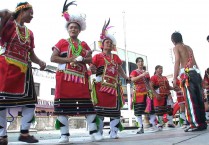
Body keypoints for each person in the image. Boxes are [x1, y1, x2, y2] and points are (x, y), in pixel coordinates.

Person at [50, 1, 102, 143]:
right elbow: (53, 58)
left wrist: (84, 61)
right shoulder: (61, 42)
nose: (73, 29)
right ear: (68, 29)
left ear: (79, 30)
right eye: (71, 27)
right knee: (62, 108)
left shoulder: (83, 44)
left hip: (80, 80)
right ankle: (64, 135)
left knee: (88, 107)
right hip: (64, 79)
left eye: (76, 28)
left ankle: (93, 132)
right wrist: (71, 59)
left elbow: (90, 58)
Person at [0, 2, 46, 144]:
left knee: (31, 103)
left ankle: (24, 133)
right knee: (1, 103)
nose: (32, 16)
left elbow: (31, 53)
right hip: (6, 67)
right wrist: (4, 14)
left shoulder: (30, 33)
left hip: (24, 71)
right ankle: (2, 135)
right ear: (21, 11)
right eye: (30, 12)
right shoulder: (8, 24)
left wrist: (40, 62)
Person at [90, 19, 130, 139]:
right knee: (99, 111)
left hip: (114, 87)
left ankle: (114, 132)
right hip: (100, 86)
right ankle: (99, 133)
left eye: (110, 42)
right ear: (102, 44)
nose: (108, 44)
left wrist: (126, 77)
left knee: (115, 112)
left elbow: (119, 69)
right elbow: (91, 67)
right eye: (106, 42)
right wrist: (92, 70)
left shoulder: (115, 57)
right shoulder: (97, 56)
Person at [171, 32, 207, 132]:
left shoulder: (176, 47)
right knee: (199, 99)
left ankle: (194, 124)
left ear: (173, 41)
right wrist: (200, 75)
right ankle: (202, 122)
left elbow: (177, 61)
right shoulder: (189, 47)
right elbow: (194, 62)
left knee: (191, 100)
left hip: (186, 74)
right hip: (195, 73)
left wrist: (174, 77)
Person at [130, 57, 156, 134]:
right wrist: (142, 75)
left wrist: (151, 91)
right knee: (138, 111)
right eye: (139, 62)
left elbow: (149, 82)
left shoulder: (146, 72)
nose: (141, 63)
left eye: (142, 61)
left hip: (147, 93)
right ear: (136, 63)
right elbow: (132, 79)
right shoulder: (134, 72)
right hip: (138, 94)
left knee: (151, 110)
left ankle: (153, 125)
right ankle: (140, 127)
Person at [150, 65, 175, 129]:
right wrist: (156, 94)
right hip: (158, 96)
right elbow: (151, 87)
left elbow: (168, 87)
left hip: (166, 95)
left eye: (162, 68)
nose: (161, 70)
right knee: (159, 111)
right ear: (156, 70)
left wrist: (174, 88)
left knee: (170, 109)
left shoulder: (165, 77)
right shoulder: (153, 77)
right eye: (159, 69)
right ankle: (160, 124)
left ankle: (170, 123)